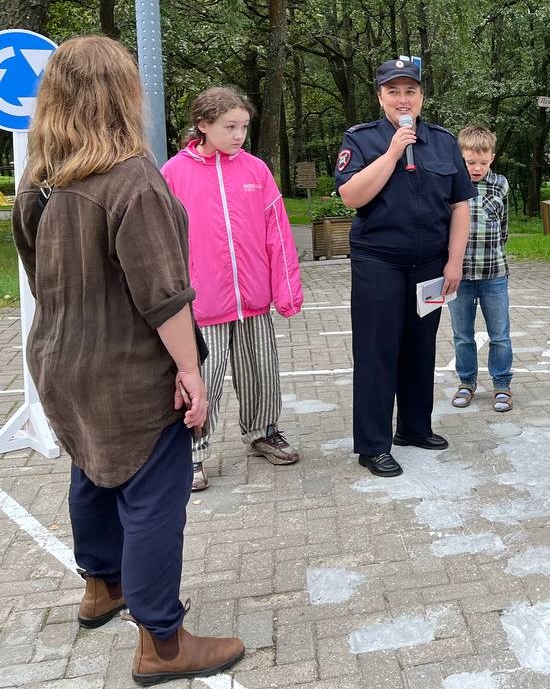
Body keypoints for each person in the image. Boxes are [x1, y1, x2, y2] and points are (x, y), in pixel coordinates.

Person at [12, 35, 244, 684]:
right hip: (127, 372)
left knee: (91, 470)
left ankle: (101, 588)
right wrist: (192, 373)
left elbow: (38, 275)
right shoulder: (131, 180)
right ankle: (163, 643)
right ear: (122, 96)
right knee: (152, 497)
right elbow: (163, 295)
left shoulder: (38, 186)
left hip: (60, 362)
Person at [335, 58, 475, 478]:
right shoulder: (360, 139)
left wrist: (454, 261)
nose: (402, 99)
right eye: (393, 91)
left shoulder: (444, 141)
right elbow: (351, 197)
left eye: (410, 91)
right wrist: (394, 151)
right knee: (377, 352)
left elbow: (460, 204)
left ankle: (413, 427)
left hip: (430, 264)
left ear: (421, 96)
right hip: (379, 261)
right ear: (380, 96)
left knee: (420, 348)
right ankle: (373, 444)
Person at [162, 87, 304, 492]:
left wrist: (286, 289)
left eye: (243, 126)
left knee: (261, 372)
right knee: (200, 379)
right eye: (230, 126)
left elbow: (278, 233)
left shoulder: (255, 170)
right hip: (201, 305)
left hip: (254, 302)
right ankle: (191, 453)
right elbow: (163, 239)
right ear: (203, 125)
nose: (239, 134)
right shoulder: (174, 172)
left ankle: (262, 430)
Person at [447, 124, 514, 412]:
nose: (476, 168)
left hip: (493, 274)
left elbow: (504, 228)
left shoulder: (501, 184)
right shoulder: (450, 184)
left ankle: (502, 385)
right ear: (460, 158)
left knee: (500, 334)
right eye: (470, 162)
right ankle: (467, 382)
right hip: (459, 277)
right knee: (462, 335)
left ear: (492, 158)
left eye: (483, 163)